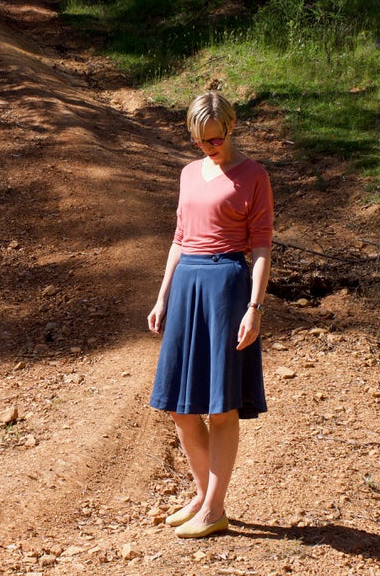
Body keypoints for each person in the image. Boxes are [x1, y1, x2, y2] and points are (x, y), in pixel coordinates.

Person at [147, 91, 273, 539]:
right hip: (186, 287)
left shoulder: (253, 175)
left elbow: (260, 246)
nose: (210, 147)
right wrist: (163, 296)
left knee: (221, 408)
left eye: (217, 138)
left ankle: (215, 507)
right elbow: (180, 238)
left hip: (226, 287)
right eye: (202, 140)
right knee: (179, 407)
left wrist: (254, 308)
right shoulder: (188, 173)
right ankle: (204, 496)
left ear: (231, 128)